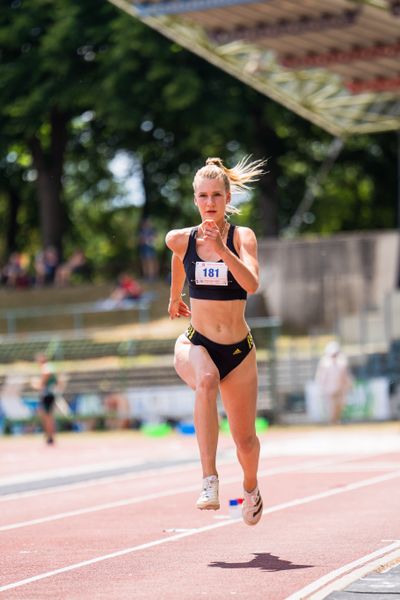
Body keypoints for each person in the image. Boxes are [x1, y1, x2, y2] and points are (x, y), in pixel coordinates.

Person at [165, 156, 267, 526]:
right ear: (195, 200)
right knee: (205, 380)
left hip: (238, 352)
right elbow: (179, 258)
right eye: (203, 196)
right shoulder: (181, 238)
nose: (209, 203)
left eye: (216, 196)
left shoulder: (243, 237)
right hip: (197, 343)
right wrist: (175, 296)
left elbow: (252, 284)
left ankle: (252, 488)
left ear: (227, 198)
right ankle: (209, 479)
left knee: (245, 442)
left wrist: (223, 250)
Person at [315, 341, 353, 424]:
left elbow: (346, 376)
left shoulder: (342, 362)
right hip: (329, 390)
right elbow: (321, 378)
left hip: (340, 389)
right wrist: (321, 388)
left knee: (340, 406)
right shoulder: (324, 363)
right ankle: (333, 422)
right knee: (331, 407)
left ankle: (336, 420)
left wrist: (348, 385)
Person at [36, 353, 58, 444]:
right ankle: (50, 436)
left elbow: (44, 379)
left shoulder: (46, 367)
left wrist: (39, 384)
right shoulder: (50, 367)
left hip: (47, 395)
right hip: (50, 394)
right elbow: (57, 382)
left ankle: (50, 436)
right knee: (48, 416)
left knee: (47, 417)